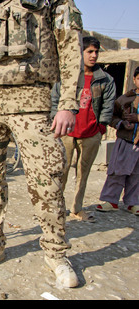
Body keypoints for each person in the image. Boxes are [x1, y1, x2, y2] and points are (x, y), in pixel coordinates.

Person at [0, 0, 84, 288]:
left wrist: (68, 104)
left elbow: (71, 49)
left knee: (47, 181)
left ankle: (56, 253)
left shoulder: (55, 3)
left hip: (33, 104)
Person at [52, 36, 116, 223]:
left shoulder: (105, 79)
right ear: (80, 53)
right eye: (89, 51)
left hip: (90, 134)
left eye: (96, 52)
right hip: (66, 133)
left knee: (83, 173)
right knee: (60, 171)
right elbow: (55, 99)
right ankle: (57, 208)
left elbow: (108, 105)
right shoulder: (67, 76)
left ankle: (77, 208)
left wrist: (100, 128)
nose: (94, 55)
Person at [96, 67, 139, 216]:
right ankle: (111, 200)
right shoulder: (124, 99)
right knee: (116, 171)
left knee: (136, 174)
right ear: (134, 79)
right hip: (125, 140)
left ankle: (133, 203)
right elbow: (112, 116)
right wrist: (122, 124)